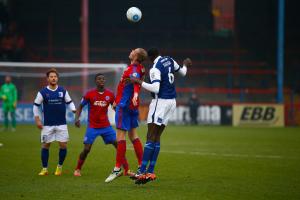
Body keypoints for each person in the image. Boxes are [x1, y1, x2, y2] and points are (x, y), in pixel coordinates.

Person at [130, 48, 191, 184]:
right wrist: (185, 64)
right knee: (156, 137)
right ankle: (150, 172)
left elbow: (156, 88)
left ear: (151, 57)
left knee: (150, 136)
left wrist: (138, 81)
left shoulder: (155, 68)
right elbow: (183, 72)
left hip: (160, 102)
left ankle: (141, 172)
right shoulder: (169, 59)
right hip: (172, 102)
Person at [73, 73, 129, 177]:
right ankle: (77, 169)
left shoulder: (110, 94)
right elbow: (80, 106)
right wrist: (77, 118)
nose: (101, 80)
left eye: (103, 79)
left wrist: (121, 111)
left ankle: (127, 169)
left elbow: (115, 107)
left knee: (118, 145)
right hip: (92, 127)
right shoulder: (89, 94)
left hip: (106, 127)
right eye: (99, 79)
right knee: (86, 149)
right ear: (96, 81)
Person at [105, 48, 147, 183]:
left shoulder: (134, 68)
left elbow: (135, 83)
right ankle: (142, 166)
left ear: (136, 56)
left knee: (120, 137)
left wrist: (133, 95)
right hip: (131, 105)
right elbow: (131, 84)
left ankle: (117, 168)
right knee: (133, 135)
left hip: (125, 106)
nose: (132, 50)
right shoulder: (141, 68)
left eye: (135, 50)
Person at [33, 68, 76, 176]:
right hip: (47, 125)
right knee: (45, 145)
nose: (53, 78)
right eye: (51, 76)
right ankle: (44, 169)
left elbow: (70, 102)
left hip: (62, 123)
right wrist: (37, 120)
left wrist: (75, 112)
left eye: (55, 76)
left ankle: (59, 167)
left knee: (63, 146)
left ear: (57, 78)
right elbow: (36, 106)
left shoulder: (63, 90)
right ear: (48, 79)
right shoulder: (43, 92)